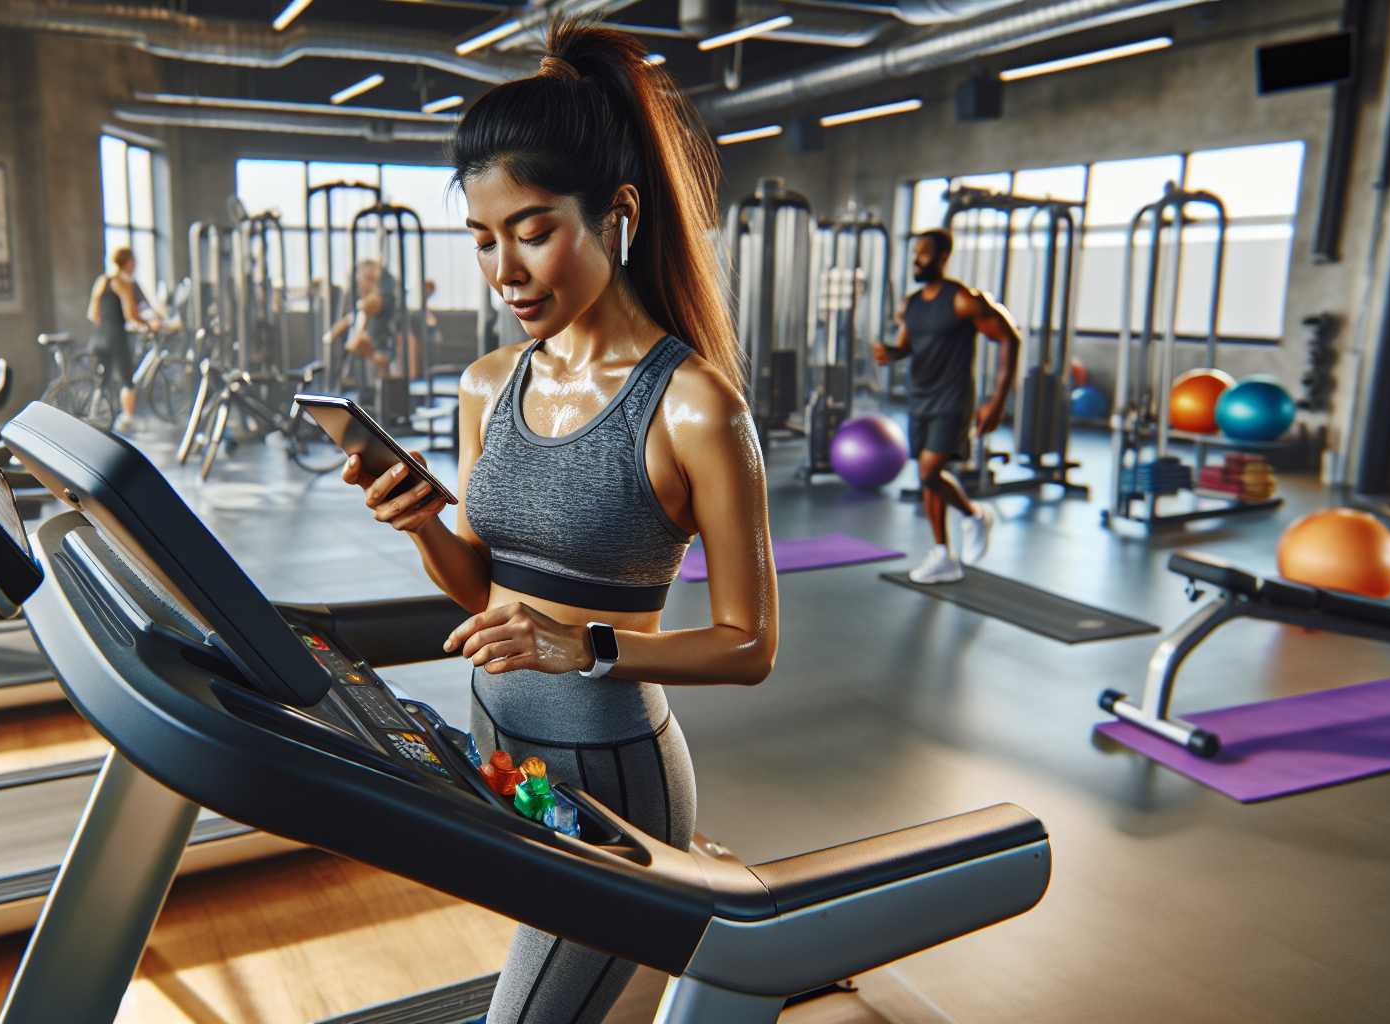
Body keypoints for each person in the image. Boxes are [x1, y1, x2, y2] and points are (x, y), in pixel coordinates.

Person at [340, 20, 777, 1024]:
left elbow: (750, 645)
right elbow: (479, 588)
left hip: (614, 779)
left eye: (532, 229)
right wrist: (419, 524)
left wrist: (576, 643)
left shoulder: (694, 405)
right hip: (505, 747)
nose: (505, 269)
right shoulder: (486, 383)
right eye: (484, 240)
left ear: (616, 215)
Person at [873, 228, 1021, 584]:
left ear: (942, 257)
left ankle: (973, 514)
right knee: (929, 479)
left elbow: (1009, 336)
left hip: (953, 398)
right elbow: (907, 346)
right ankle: (944, 554)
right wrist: (890, 354)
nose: (916, 261)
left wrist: (998, 401)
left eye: (923, 254)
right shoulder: (912, 303)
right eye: (914, 254)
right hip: (919, 397)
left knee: (928, 471)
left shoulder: (962, 300)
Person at [86, 246, 158, 430]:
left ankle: (94, 414)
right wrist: (147, 324)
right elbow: (130, 312)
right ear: (128, 262)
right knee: (128, 380)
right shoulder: (123, 283)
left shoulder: (102, 281)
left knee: (102, 381)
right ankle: (127, 420)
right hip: (116, 337)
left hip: (98, 337)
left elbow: (93, 315)